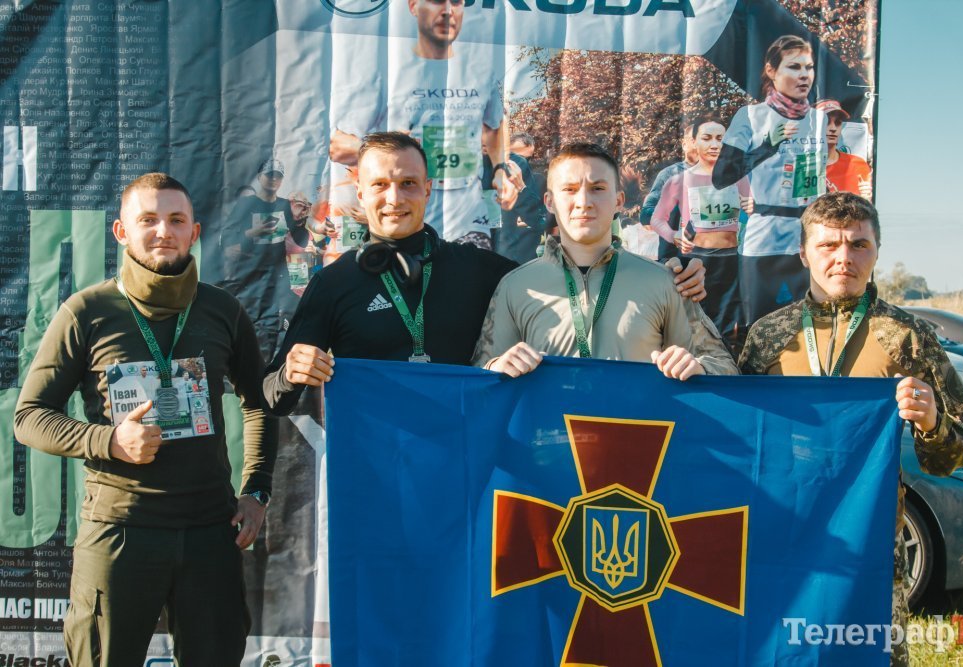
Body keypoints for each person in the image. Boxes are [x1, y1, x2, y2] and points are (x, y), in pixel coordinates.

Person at [14, 173, 277, 666]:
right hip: (119, 531)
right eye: (148, 220)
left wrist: (257, 491)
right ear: (121, 232)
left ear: (194, 232)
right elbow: (29, 417)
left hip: (210, 530)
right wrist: (108, 441)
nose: (163, 231)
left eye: (176, 220)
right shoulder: (86, 312)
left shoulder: (223, 311)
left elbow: (258, 403)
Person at [262, 132, 708, 412]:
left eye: (408, 183)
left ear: (428, 189)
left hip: (471, 471)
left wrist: (675, 273)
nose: (394, 197)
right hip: (374, 473)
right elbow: (271, 396)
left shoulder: (481, 269)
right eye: (380, 184)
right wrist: (290, 374)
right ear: (360, 192)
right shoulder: (334, 282)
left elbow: (572, 275)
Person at [738, 192, 963, 667]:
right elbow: (744, 439)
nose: (843, 257)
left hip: (871, 549)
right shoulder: (767, 336)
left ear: (877, 251)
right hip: (780, 541)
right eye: (828, 245)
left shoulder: (907, 336)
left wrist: (931, 421)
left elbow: (956, 452)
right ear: (804, 253)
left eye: (859, 244)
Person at [473, 142, 738, 379]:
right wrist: (495, 367)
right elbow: (478, 378)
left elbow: (725, 366)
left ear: (619, 201)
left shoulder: (666, 282)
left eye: (598, 188)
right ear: (549, 202)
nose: (584, 202)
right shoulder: (516, 286)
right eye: (569, 189)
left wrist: (699, 368)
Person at [327, 0, 508, 247]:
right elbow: (337, 144)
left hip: (469, 223)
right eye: (436, 2)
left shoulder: (479, 73)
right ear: (413, 6)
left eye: (456, 2)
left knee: (471, 270)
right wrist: (394, 155)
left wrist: (500, 168)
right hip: (402, 223)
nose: (447, 11)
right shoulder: (387, 74)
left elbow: (494, 127)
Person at [714, 35, 828, 330]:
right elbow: (722, 176)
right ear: (771, 70)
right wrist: (767, 144)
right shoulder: (751, 116)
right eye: (794, 67)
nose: (804, 75)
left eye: (809, 67)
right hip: (763, 240)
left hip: (807, 239)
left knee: (810, 329)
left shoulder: (820, 120)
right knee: (758, 328)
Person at [650, 116, 752, 347]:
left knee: (730, 331)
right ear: (694, 142)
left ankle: (727, 363)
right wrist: (673, 236)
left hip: (732, 261)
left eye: (720, 139)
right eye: (707, 138)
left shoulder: (739, 178)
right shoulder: (678, 180)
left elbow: (755, 215)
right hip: (696, 261)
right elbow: (656, 219)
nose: (714, 144)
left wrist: (753, 208)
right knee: (696, 326)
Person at [220, 157, 298, 359]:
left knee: (278, 323)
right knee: (249, 322)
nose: (273, 180)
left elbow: (299, 238)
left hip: (278, 276)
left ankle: (273, 364)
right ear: (259, 177)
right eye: (269, 175)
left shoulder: (285, 205)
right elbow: (226, 238)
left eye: (278, 176)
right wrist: (252, 233)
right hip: (249, 276)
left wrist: (300, 222)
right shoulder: (247, 203)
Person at [814, 98, 873, 198]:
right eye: (826, 121)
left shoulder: (857, 165)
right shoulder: (802, 165)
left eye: (837, 123)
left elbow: (864, 204)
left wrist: (866, 199)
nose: (833, 128)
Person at [639, 123, 697, 225]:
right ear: (684, 145)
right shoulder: (669, 174)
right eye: (695, 140)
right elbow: (645, 215)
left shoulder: (721, 175)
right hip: (681, 234)